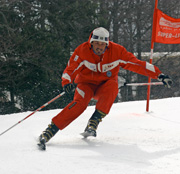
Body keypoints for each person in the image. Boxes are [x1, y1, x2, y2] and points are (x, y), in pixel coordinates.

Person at [38, 27, 172, 150]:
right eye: (97, 43)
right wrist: (66, 82)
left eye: (102, 44)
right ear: (91, 43)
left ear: (107, 44)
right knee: (79, 104)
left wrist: (159, 75)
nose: (99, 47)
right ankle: (50, 130)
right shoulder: (82, 51)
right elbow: (70, 68)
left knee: (113, 86)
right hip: (86, 85)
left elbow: (137, 64)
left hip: (105, 86)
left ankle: (94, 122)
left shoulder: (117, 51)